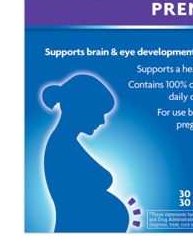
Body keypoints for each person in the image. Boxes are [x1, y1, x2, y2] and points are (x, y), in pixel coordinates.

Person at [41, 73, 129, 232]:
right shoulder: (61, 146)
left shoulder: (65, 143)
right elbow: (100, 181)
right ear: (80, 108)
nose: (102, 121)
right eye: (99, 112)